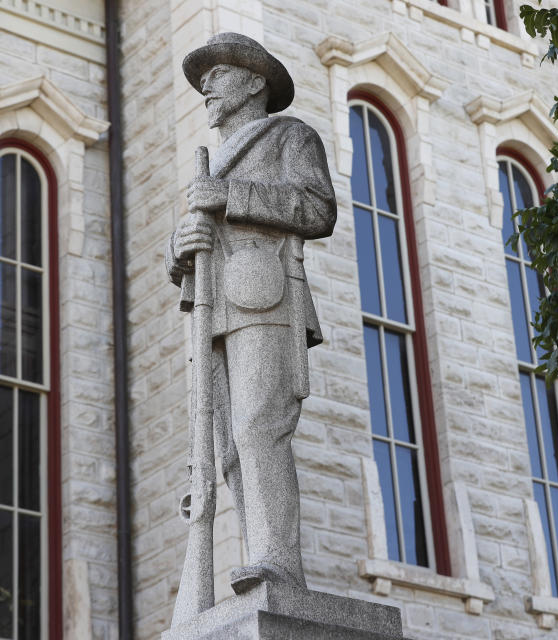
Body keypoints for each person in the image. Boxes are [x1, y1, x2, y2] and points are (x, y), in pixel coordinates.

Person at [165, 32, 336, 593]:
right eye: (202, 76)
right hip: (211, 304)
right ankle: (257, 553)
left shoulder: (291, 136)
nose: (206, 85)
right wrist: (179, 245)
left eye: (219, 71)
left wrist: (231, 199)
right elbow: (194, 238)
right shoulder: (209, 162)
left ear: (255, 80)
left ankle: (276, 560)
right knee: (228, 447)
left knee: (260, 425)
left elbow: (316, 208)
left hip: (266, 292)